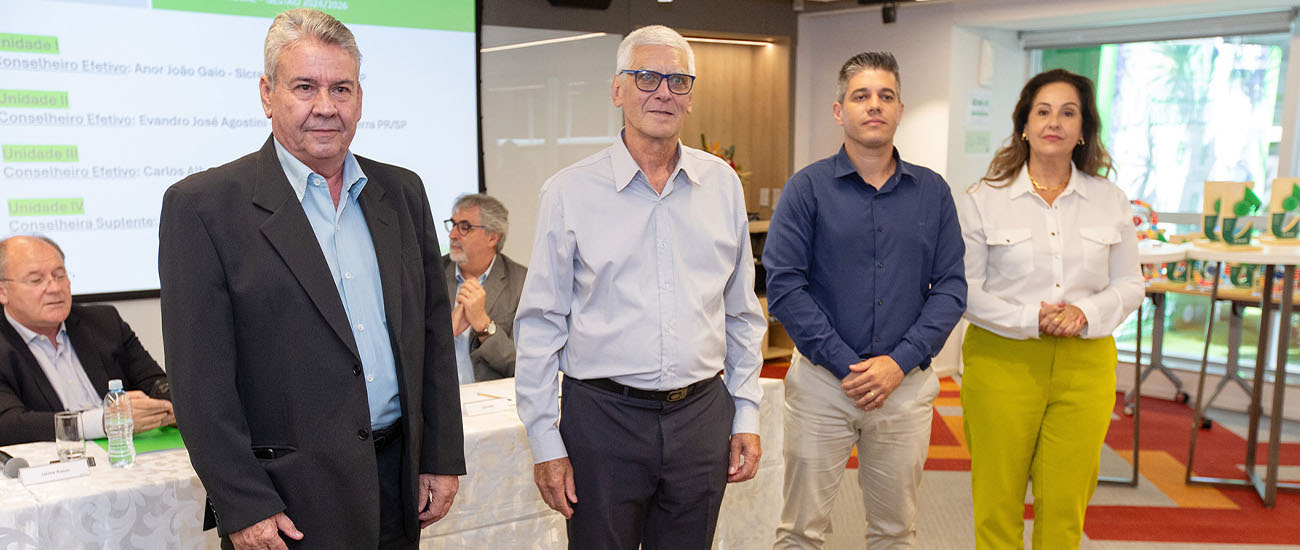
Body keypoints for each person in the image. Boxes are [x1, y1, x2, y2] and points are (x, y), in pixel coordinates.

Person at [157, 9, 464, 550]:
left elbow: (433, 337)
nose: (326, 106)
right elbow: (200, 385)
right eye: (305, 87)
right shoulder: (203, 207)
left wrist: (438, 456)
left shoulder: (402, 193)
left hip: (398, 485)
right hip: (286, 503)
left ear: (359, 98)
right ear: (267, 94)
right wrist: (244, 504)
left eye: (341, 88)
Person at [514, 24, 767, 549]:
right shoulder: (569, 192)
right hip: (601, 421)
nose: (662, 92)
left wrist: (746, 412)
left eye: (678, 80)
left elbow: (741, 314)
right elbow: (540, 325)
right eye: (646, 77)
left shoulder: (721, 185)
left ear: (690, 96)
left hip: (701, 416)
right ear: (617, 90)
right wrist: (544, 440)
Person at [763, 51, 967, 549]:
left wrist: (897, 364)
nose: (874, 105)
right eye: (861, 96)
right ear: (840, 111)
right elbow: (784, 286)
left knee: (895, 532)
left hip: (904, 388)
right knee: (800, 532)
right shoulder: (806, 189)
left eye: (885, 96)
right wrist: (848, 366)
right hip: (821, 386)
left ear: (899, 109)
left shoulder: (933, 192)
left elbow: (951, 288)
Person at [959, 68, 1142, 549]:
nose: (1054, 122)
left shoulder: (1109, 199)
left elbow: (1130, 284)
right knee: (997, 502)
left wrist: (1085, 312)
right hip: (1002, 360)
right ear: (1024, 125)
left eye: (1068, 113)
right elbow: (964, 290)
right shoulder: (984, 200)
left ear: (1083, 130)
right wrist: (1029, 318)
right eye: (1042, 112)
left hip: (1086, 365)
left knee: (1065, 506)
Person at [0, 235, 173, 446]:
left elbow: (155, 384)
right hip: (57, 462)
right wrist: (103, 421)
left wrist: (173, 405)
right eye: (36, 280)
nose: (55, 288)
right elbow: (8, 425)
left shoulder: (104, 322)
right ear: (3, 292)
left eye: (60, 275)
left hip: (128, 454)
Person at [442, 193, 525, 383]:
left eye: (465, 227)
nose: (452, 235)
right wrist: (446, 332)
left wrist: (484, 327)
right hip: (439, 398)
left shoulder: (522, 283)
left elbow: (523, 366)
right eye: (453, 224)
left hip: (492, 399)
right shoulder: (429, 275)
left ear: (492, 238)